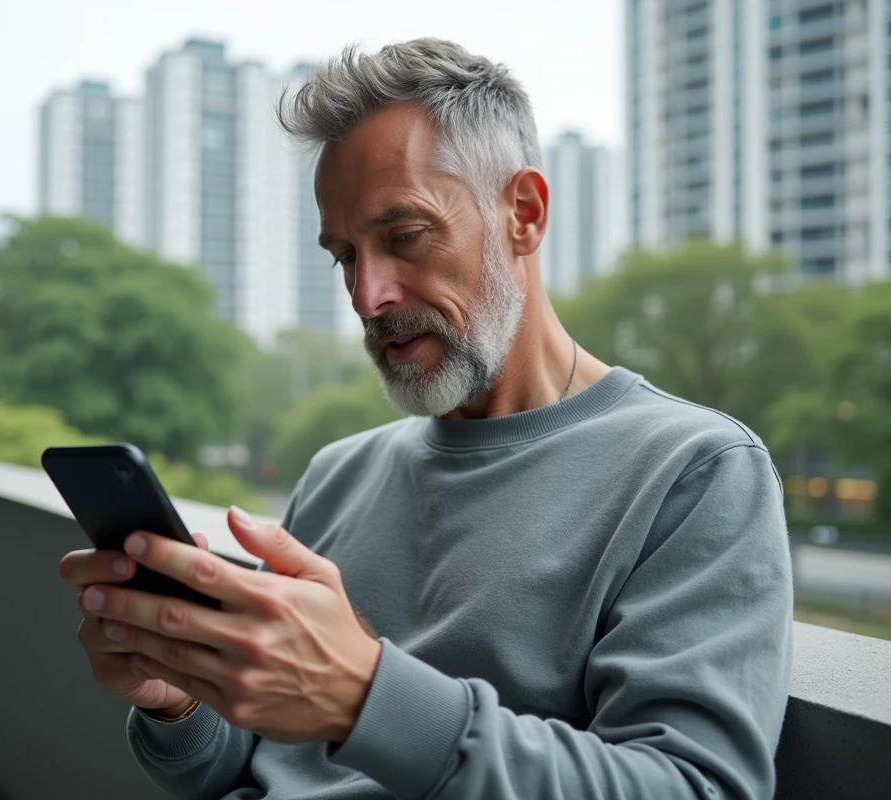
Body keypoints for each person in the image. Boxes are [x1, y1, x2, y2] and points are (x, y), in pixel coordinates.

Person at [59, 39, 792, 800]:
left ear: (525, 214)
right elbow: (253, 763)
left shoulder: (695, 472)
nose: (367, 294)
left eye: (404, 236)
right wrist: (181, 699)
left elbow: (692, 788)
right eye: (345, 255)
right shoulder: (340, 472)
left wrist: (365, 698)